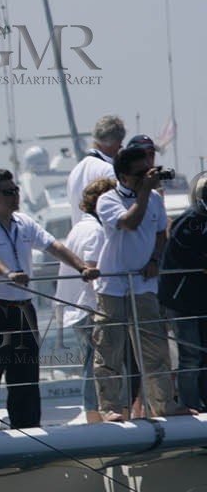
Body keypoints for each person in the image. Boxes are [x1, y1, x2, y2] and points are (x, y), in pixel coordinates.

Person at [0, 169, 97, 432]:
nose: (15, 196)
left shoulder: (24, 222)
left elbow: (53, 246)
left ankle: (28, 430)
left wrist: (82, 267)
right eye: (8, 192)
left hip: (23, 310)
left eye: (16, 190)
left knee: (25, 376)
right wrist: (8, 273)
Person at [92, 147, 177, 419]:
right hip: (113, 286)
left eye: (149, 171)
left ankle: (164, 404)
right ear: (124, 178)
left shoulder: (154, 199)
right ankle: (110, 408)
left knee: (155, 349)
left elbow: (160, 232)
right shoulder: (108, 200)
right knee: (110, 349)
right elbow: (130, 223)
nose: (147, 178)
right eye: (140, 174)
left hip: (144, 284)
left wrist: (155, 259)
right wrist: (143, 193)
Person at [58, 179, 112, 424]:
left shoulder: (79, 228)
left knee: (91, 364)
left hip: (76, 308)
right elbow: (92, 269)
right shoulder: (96, 231)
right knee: (97, 365)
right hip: (90, 307)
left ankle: (94, 416)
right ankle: (95, 417)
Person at [162, 173, 207, 412]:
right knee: (191, 355)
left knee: (203, 354)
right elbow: (182, 255)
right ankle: (190, 403)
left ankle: (203, 400)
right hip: (184, 300)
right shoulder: (188, 222)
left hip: (201, 299)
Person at [65, 115, 125, 232]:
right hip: (102, 237)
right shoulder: (109, 171)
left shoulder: (74, 172)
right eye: (120, 145)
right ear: (116, 143)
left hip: (80, 235)